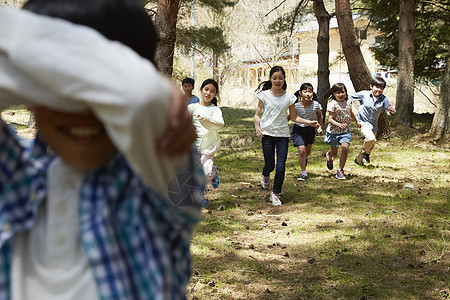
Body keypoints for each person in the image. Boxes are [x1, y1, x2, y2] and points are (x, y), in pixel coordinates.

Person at [0, 2, 204, 299]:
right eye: (58, 87)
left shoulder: (161, 175)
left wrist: (154, 87)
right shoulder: (15, 177)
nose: (84, 109)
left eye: (104, 92)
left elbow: (144, 99)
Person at [254, 66, 319, 206]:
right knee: (270, 165)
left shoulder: (290, 97)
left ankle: (275, 193)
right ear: (270, 79)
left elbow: (294, 118)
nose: (277, 81)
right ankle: (265, 174)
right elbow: (257, 114)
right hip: (267, 134)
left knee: (281, 167)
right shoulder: (264, 95)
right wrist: (257, 127)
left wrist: (310, 122)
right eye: (274, 78)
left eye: (280, 78)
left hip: (282, 135)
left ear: (284, 79)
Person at [188, 79, 224, 208]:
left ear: (215, 94)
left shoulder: (215, 110)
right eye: (206, 89)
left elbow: (220, 123)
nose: (208, 93)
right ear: (201, 90)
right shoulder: (193, 107)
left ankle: (212, 173)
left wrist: (206, 119)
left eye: (212, 91)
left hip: (208, 146)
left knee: (206, 173)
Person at [351, 76, 396, 165]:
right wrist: (353, 112)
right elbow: (348, 99)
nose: (379, 90)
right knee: (371, 138)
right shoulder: (364, 94)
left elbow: (390, 111)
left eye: (381, 88)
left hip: (374, 125)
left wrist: (392, 111)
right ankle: (365, 154)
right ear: (371, 86)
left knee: (371, 145)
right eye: (377, 87)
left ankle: (358, 160)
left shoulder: (383, 99)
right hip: (362, 122)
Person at [323, 83, 361, 179]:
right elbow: (330, 119)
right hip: (333, 132)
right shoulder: (332, 104)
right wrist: (338, 124)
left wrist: (357, 121)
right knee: (334, 152)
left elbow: (350, 112)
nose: (340, 94)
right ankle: (329, 156)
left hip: (345, 131)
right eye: (338, 92)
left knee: (345, 148)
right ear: (334, 94)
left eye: (342, 92)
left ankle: (340, 170)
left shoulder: (349, 101)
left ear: (346, 92)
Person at [290, 83, 324, 181]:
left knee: (307, 151)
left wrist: (320, 127)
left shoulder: (316, 105)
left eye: (310, 91)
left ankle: (304, 159)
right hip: (298, 130)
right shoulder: (296, 106)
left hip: (310, 130)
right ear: (300, 93)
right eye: (305, 92)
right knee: (301, 150)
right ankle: (304, 173)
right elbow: (290, 117)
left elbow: (320, 116)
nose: (308, 94)